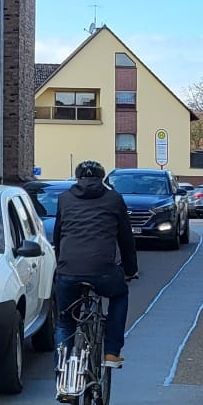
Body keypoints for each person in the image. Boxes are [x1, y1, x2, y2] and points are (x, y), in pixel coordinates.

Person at [50, 159, 138, 389]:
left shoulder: (64, 199)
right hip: (103, 271)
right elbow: (126, 239)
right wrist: (130, 270)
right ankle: (111, 352)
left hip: (68, 270)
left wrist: (61, 264)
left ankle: (63, 369)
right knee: (120, 295)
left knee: (65, 321)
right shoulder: (114, 199)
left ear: (77, 178)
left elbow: (58, 235)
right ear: (102, 179)